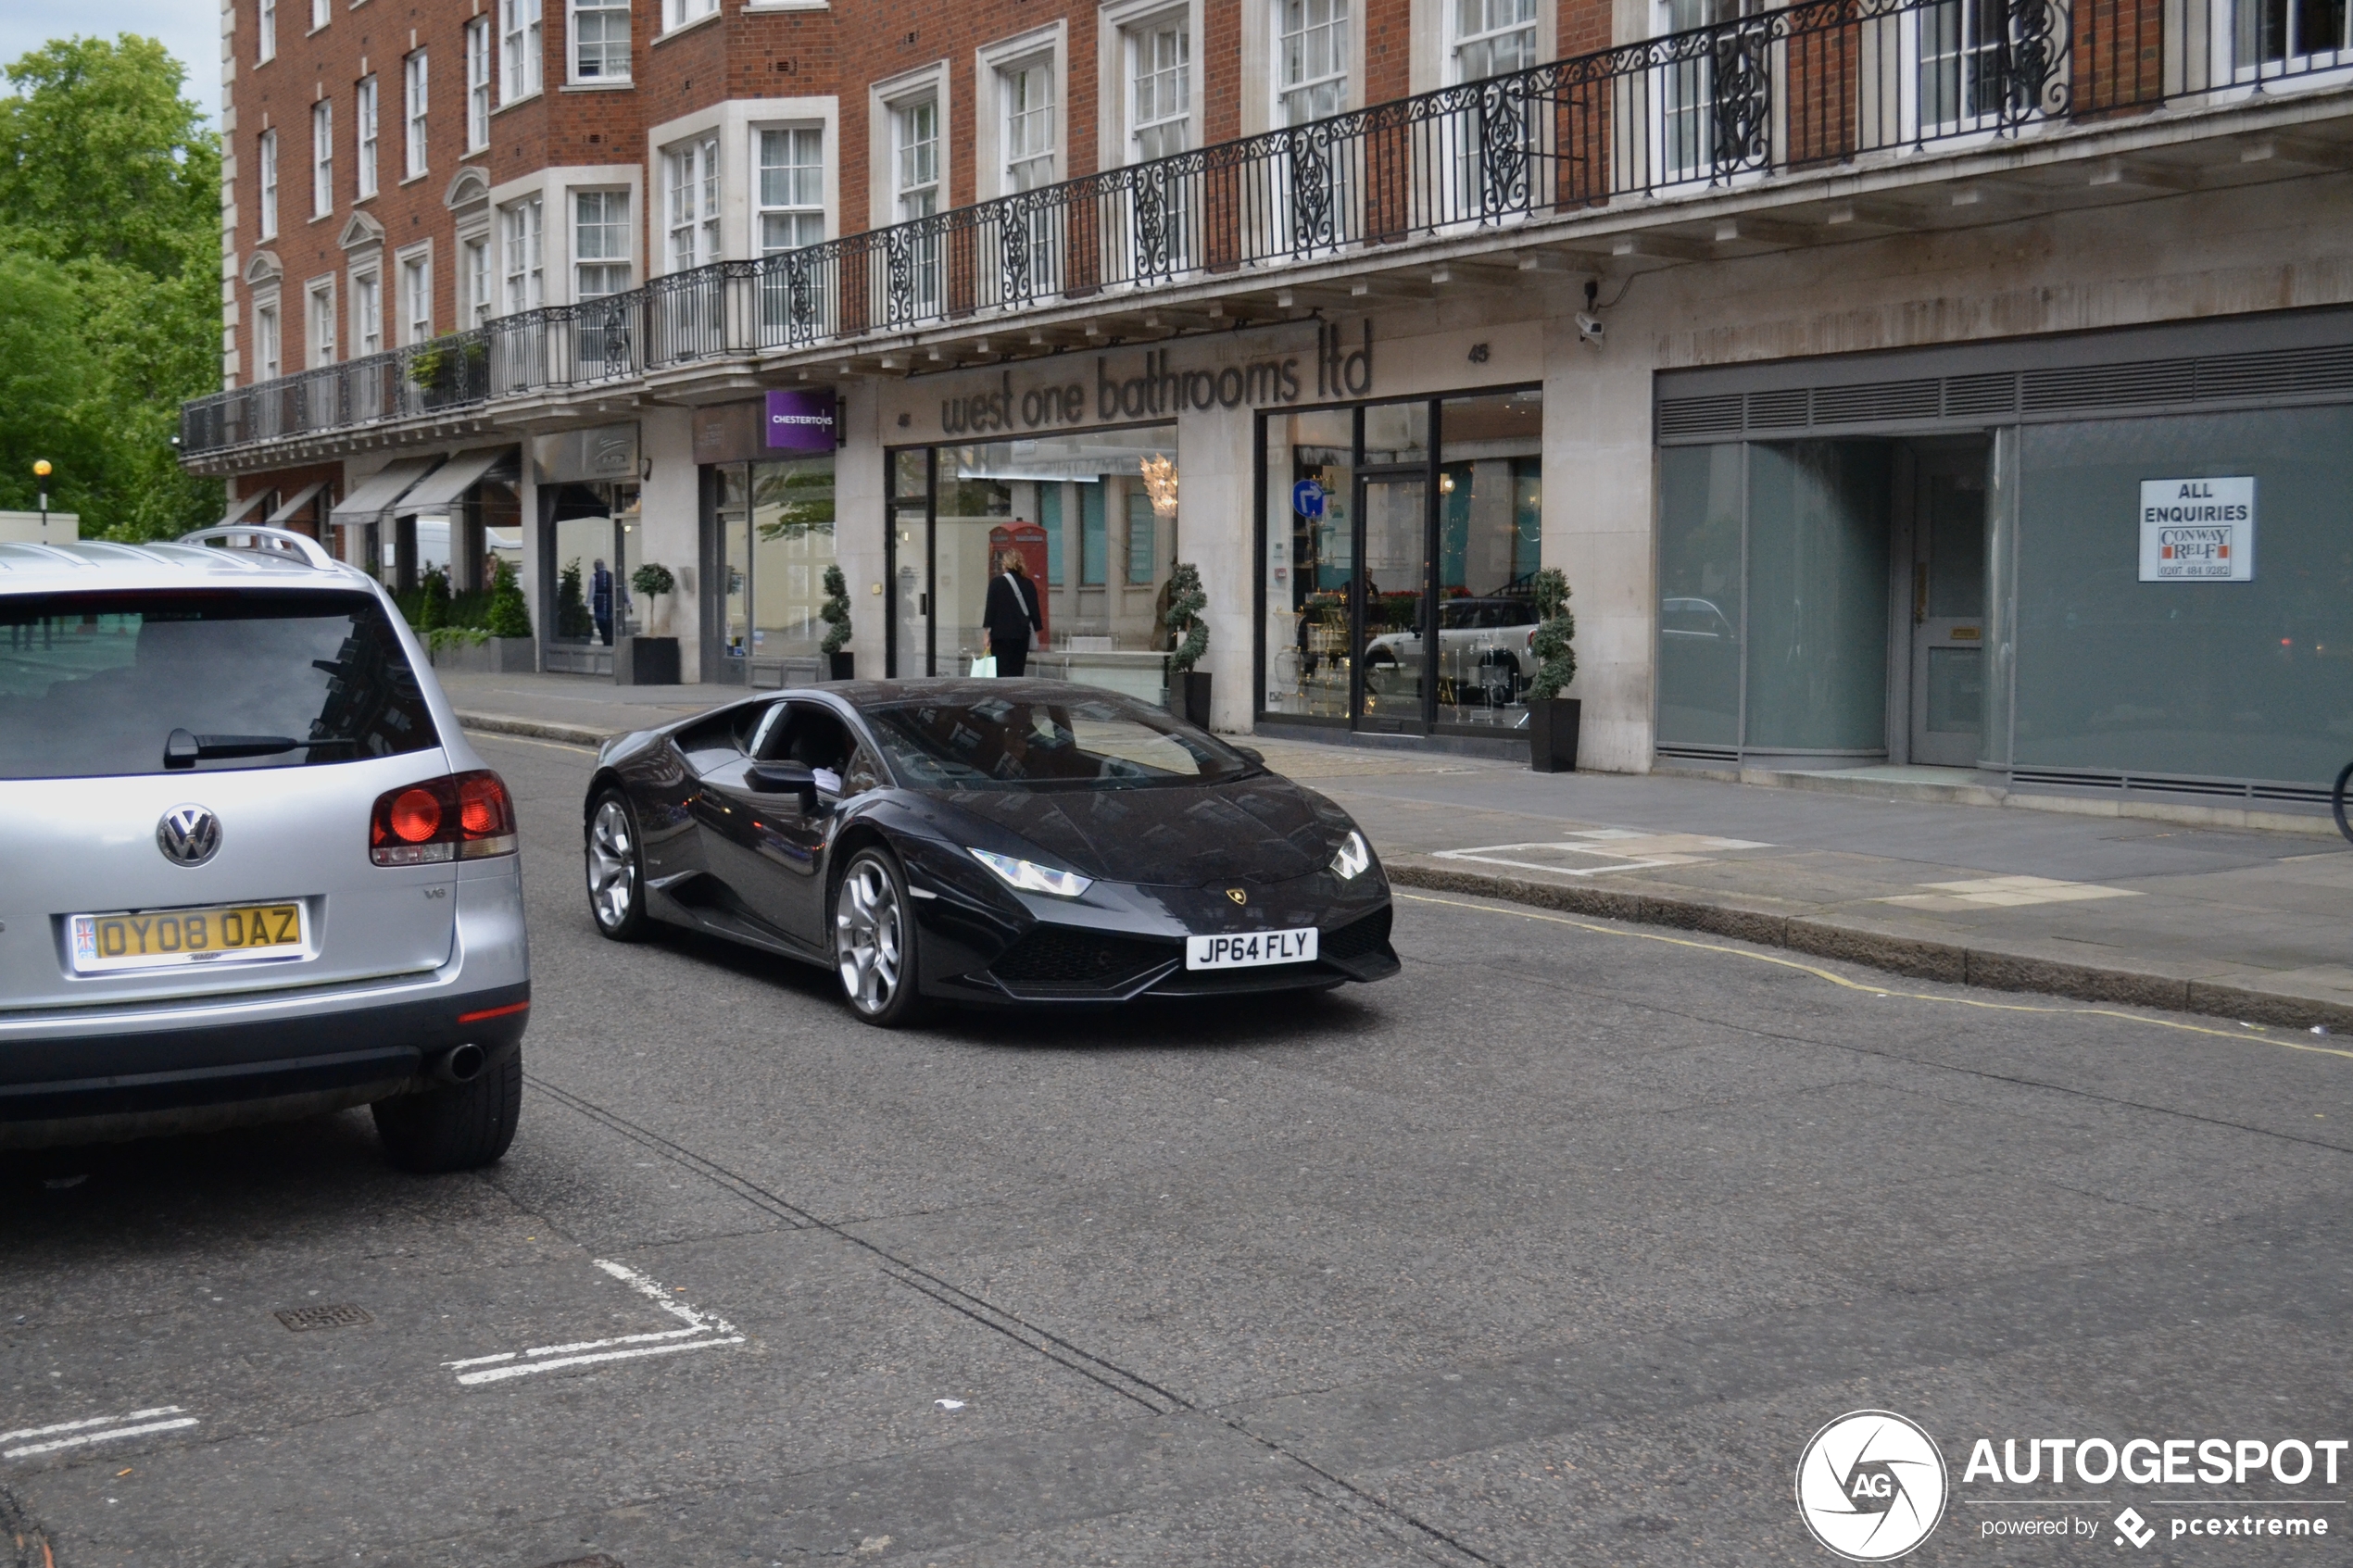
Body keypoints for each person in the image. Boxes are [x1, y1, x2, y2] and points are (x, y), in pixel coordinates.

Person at [982, 548, 1044, 678]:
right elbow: (1034, 611)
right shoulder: (1028, 584)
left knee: (1001, 673)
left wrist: (987, 634)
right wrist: (1036, 630)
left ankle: (1003, 697)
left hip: (1000, 637)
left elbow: (990, 610)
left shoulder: (996, 583)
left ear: (1005, 564)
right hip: (1021, 637)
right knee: (1017, 673)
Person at [590, 558, 613, 646]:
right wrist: (629, 602)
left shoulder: (594, 577)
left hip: (599, 607)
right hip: (610, 606)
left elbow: (591, 593)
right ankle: (609, 643)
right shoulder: (612, 576)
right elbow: (623, 591)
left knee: (602, 627)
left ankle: (606, 642)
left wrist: (587, 605)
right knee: (610, 628)